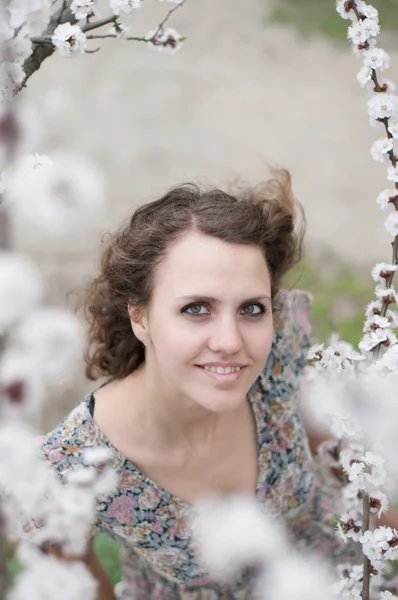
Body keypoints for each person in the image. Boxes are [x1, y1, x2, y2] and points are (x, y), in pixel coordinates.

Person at [36, 170, 346, 600]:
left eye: (252, 308)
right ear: (140, 317)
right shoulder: (70, 467)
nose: (230, 342)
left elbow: (328, 446)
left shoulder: (281, 345)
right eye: (197, 308)